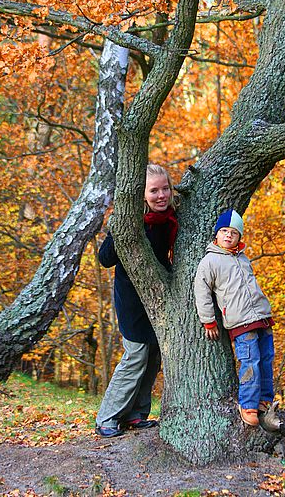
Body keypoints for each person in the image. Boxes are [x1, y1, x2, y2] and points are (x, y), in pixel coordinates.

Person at [95, 164, 178, 438]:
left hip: (157, 300)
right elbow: (105, 259)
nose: (161, 195)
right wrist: (117, 228)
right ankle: (107, 417)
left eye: (165, 188)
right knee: (136, 355)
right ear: (141, 194)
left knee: (154, 355)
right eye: (154, 190)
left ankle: (136, 414)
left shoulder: (170, 220)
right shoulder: (131, 221)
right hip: (131, 300)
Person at [194, 209, 281, 430]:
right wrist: (209, 321)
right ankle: (248, 404)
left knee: (267, 357)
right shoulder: (210, 261)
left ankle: (264, 400)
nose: (228, 236)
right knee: (249, 361)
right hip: (240, 320)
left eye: (233, 232)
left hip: (261, 315)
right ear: (216, 234)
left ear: (239, 237)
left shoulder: (243, 258)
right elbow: (201, 291)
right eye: (224, 231)